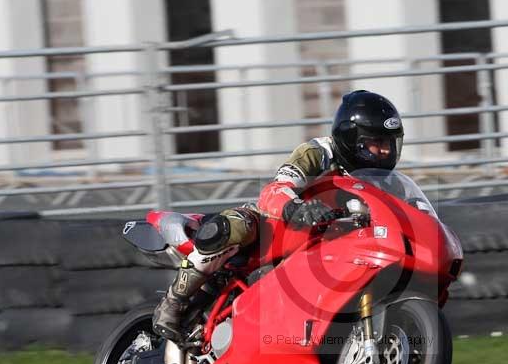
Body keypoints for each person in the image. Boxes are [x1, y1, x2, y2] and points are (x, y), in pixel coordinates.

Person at [152, 90, 405, 342]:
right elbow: (275, 189)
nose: (385, 151)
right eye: (377, 143)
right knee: (233, 227)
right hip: (276, 228)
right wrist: (296, 207)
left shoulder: (390, 183)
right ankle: (173, 303)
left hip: (332, 246)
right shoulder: (317, 154)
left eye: (389, 143)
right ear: (352, 139)